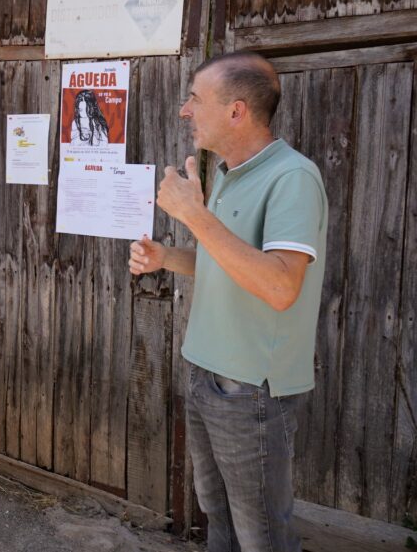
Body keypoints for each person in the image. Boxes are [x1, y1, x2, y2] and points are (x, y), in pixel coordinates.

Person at [128, 51, 328, 552]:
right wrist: (167, 257)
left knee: (261, 533)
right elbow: (228, 260)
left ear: (236, 111)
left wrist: (194, 216)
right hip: (205, 373)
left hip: (250, 388)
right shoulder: (229, 174)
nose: (184, 110)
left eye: (195, 98)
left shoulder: (292, 178)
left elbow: (281, 286)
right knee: (218, 519)